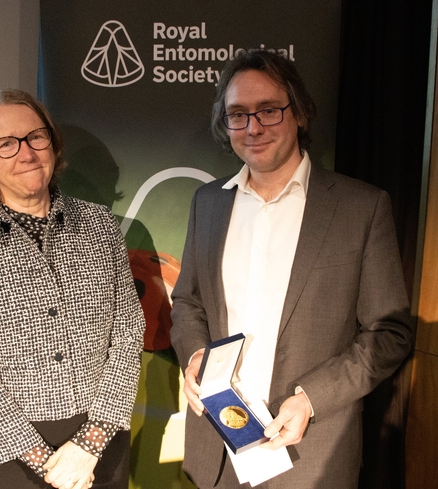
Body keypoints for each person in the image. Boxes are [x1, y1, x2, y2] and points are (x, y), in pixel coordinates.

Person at [170, 50, 414, 488]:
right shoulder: (208, 203)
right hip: (217, 451)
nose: (253, 127)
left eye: (269, 110)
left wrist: (311, 399)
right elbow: (188, 301)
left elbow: (388, 333)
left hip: (310, 456)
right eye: (238, 114)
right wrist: (195, 355)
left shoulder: (360, 208)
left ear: (299, 113)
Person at [0, 89, 145, 489]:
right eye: (6, 143)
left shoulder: (100, 225)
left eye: (36, 136)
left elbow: (128, 335)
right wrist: (48, 462)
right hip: (2, 455)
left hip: (98, 447)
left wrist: (90, 443)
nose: (27, 153)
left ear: (53, 144)